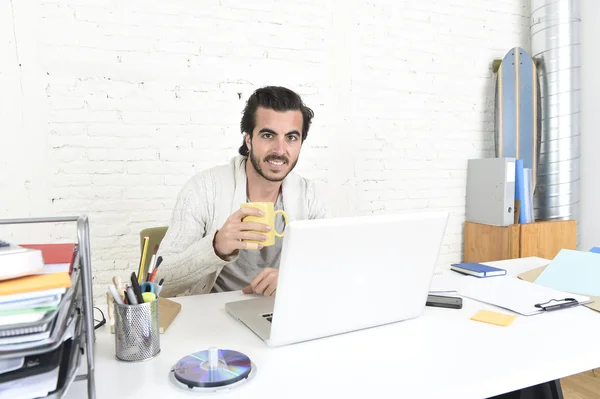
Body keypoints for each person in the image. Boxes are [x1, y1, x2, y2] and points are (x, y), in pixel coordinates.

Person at [157, 86, 329, 298]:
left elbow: (330, 265)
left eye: (291, 138)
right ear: (248, 139)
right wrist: (216, 247)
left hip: (282, 313)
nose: (280, 150)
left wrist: (292, 276)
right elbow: (157, 280)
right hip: (214, 316)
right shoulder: (203, 189)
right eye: (268, 135)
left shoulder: (309, 195)